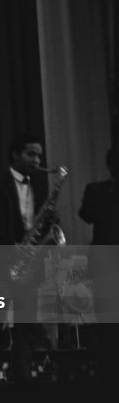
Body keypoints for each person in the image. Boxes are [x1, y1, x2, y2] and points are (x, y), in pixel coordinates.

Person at [0, 133, 55, 384]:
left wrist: (48, 235)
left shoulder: (42, 186)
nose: (37, 160)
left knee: (25, 329)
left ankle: (24, 384)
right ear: (15, 154)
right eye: (31, 154)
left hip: (30, 264)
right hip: (1, 263)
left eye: (39, 155)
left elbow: (50, 220)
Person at [78, 146, 119, 384]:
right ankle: (108, 376)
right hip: (104, 264)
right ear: (110, 164)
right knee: (106, 322)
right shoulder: (96, 189)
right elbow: (86, 214)